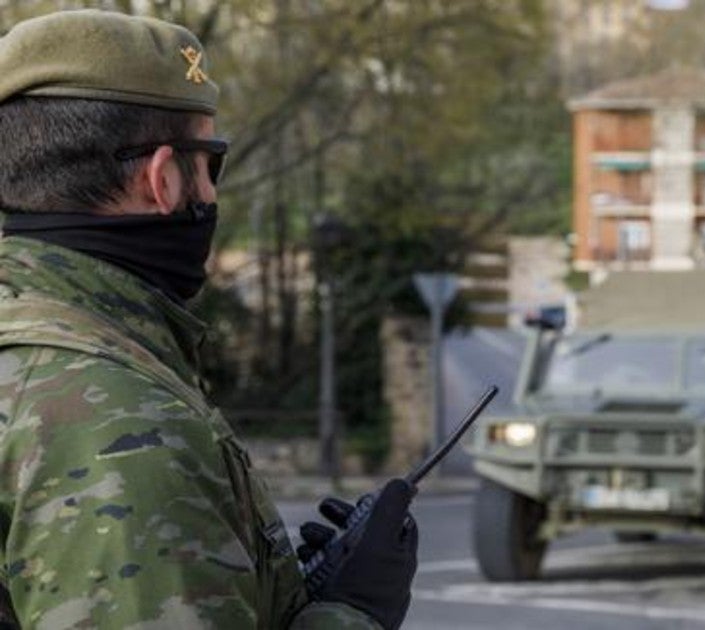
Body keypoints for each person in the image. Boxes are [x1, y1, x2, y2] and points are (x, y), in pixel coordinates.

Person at [0, 10, 416, 628]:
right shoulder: (121, 422)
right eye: (210, 163)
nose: (213, 194)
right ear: (162, 177)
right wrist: (352, 613)